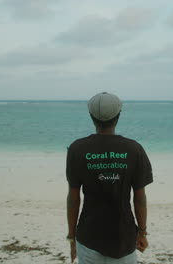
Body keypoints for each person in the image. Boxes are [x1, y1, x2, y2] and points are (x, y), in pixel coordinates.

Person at [66, 92, 153, 264]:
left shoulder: (77, 149)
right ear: (118, 116)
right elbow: (140, 198)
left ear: (92, 117)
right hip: (124, 238)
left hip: (89, 237)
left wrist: (72, 237)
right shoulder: (134, 149)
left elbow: (74, 198)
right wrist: (142, 232)